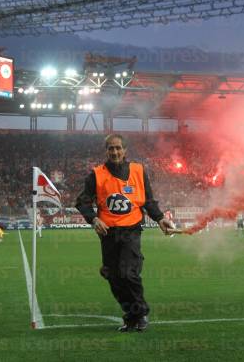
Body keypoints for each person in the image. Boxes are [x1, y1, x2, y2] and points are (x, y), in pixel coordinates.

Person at [75, 134, 175, 333]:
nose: (115, 152)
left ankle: (141, 313)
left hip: (131, 230)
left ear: (125, 150)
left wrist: (160, 218)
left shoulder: (138, 171)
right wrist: (94, 219)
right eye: (111, 148)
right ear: (106, 151)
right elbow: (82, 202)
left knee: (128, 273)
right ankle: (131, 315)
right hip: (108, 233)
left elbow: (148, 201)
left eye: (118, 148)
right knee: (113, 276)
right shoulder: (96, 174)